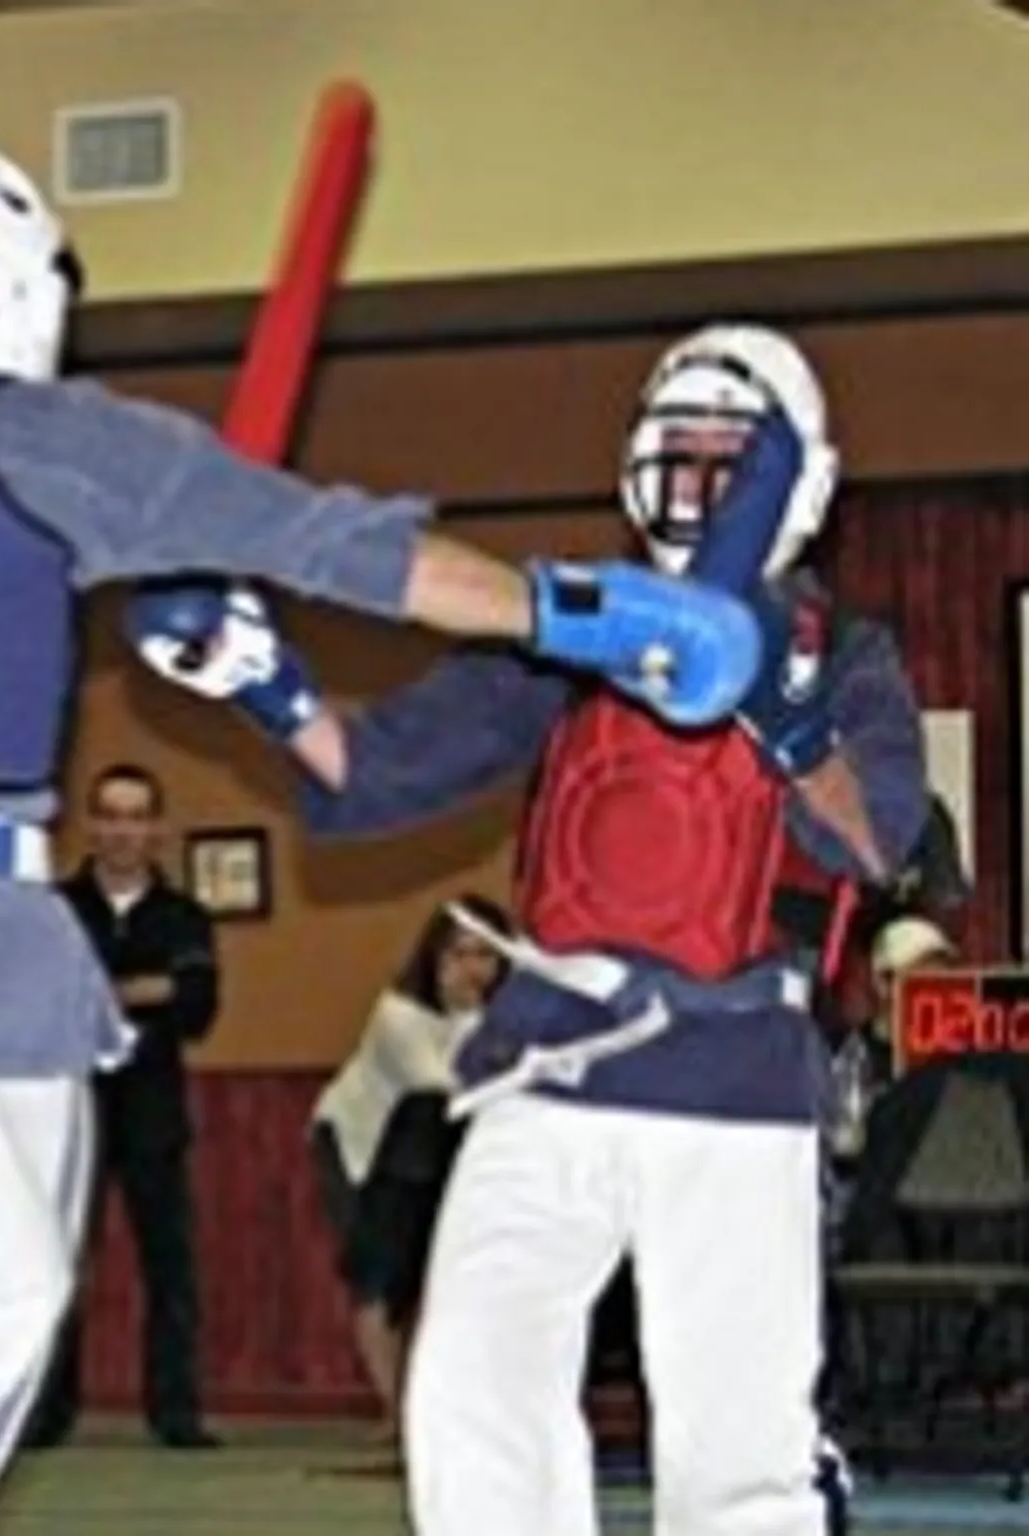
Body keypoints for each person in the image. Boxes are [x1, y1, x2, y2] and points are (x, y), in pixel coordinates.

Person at [0, 128, 764, 1536]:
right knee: (0, 1298)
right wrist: (593, 615)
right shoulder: (49, 435)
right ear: (15, 285)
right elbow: (348, 550)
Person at [130, 322, 929, 1535]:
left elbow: (879, 845)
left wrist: (770, 704)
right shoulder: (579, 640)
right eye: (683, 454)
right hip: (549, 1056)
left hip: (737, 1078)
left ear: (794, 484)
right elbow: (370, 771)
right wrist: (256, 676)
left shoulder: (847, 659)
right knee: (469, 1396)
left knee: (736, 1448)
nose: (703, 488)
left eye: (733, 460)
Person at [26, 763, 221, 1450]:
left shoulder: (184, 916)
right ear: (93, 824)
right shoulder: (53, 910)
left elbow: (199, 1008)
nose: (123, 830)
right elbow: (41, 1001)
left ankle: (175, 1412)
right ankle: (46, 1412)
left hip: (153, 1114)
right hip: (68, 1113)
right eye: (110, 814)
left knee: (170, 1267)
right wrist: (148, 989)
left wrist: (106, 990)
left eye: (137, 816)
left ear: (157, 830)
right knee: (55, 1266)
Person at [310, 895, 511, 1440]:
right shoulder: (398, 1014)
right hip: (357, 1145)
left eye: (485, 955)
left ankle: (419, 1408)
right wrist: (470, 1017)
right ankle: (396, 1411)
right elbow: (446, 1084)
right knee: (376, 1277)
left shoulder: (503, 1019)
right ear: (433, 956)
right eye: (459, 953)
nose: (472, 968)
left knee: (426, 1275)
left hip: (422, 1154)